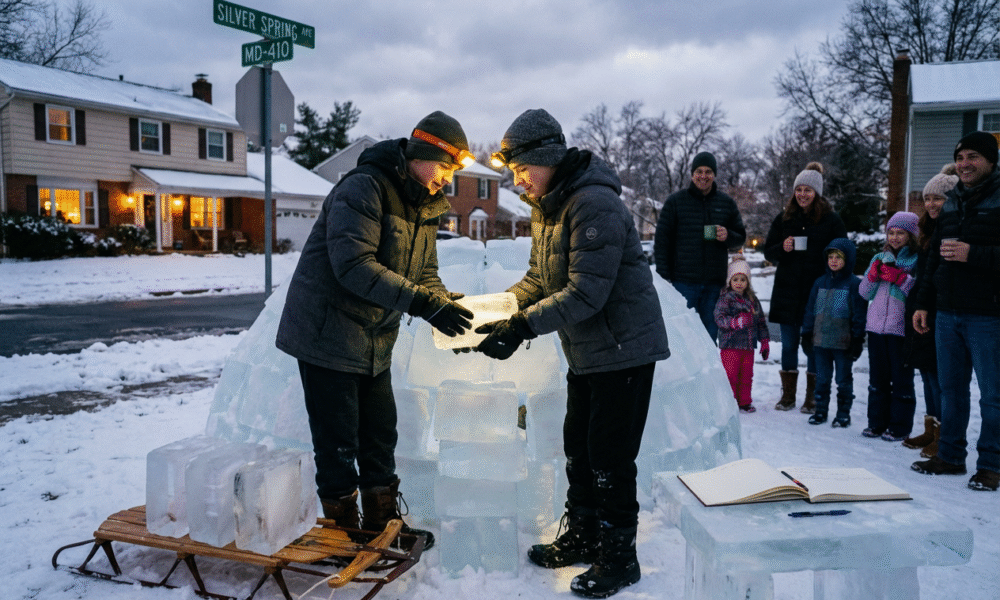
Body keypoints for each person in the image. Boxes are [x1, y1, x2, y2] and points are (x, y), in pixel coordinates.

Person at [479, 109, 670, 598]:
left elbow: (587, 293)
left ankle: (619, 556)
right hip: (588, 352)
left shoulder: (593, 204)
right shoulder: (549, 205)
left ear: (546, 157)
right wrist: (494, 310)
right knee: (578, 447)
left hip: (624, 350)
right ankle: (584, 535)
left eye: (522, 169)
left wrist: (520, 328)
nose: (517, 180)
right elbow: (541, 281)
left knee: (609, 455)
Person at [275, 111, 478, 545]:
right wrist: (424, 305)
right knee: (338, 441)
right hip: (326, 333)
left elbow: (425, 273)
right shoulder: (363, 188)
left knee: (380, 433)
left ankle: (382, 525)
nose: (446, 179)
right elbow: (353, 265)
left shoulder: (425, 204)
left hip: (373, 339)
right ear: (422, 153)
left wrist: (446, 309)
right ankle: (342, 534)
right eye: (444, 167)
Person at [912, 131, 1000, 492]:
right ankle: (949, 455)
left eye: (973, 157)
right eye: (960, 156)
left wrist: (972, 254)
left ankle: (991, 465)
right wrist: (923, 302)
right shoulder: (950, 202)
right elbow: (934, 257)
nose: (965, 163)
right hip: (947, 312)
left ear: (990, 161)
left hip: (988, 314)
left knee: (993, 395)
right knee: (951, 390)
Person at [763, 162, 848, 413]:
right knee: (788, 345)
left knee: (813, 344)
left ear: (817, 193)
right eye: (798, 189)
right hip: (787, 291)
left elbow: (843, 250)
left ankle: (813, 396)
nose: (802, 194)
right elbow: (768, 250)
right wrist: (783, 248)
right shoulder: (784, 218)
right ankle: (788, 395)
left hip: (818, 291)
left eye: (807, 190)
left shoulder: (831, 220)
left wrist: (832, 266)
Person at [653, 151, 746, 342]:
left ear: (714, 174)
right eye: (699, 171)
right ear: (692, 173)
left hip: (714, 283)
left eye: (708, 171)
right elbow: (662, 241)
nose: (703, 176)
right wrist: (664, 276)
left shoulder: (726, 203)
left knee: (710, 335)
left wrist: (727, 236)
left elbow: (740, 238)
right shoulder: (675, 202)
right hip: (683, 282)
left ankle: (710, 371)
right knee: (683, 336)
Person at [902, 165, 958, 456]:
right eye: (928, 198)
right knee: (926, 372)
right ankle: (931, 428)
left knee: (941, 376)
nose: (932, 204)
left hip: (942, 309)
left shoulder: (953, 228)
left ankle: (945, 434)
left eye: (940, 198)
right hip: (921, 308)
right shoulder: (927, 232)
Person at [859, 212, 920, 441]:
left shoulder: (915, 260)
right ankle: (876, 423)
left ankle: (899, 426)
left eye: (900, 233)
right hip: (876, 327)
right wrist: (873, 277)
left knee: (901, 379)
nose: (895, 237)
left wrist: (901, 279)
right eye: (891, 233)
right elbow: (864, 293)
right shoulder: (878, 257)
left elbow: (916, 294)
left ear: (910, 235)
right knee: (878, 379)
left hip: (900, 329)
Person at [800, 238, 866, 426]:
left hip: (842, 343)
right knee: (822, 379)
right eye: (831, 256)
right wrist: (806, 334)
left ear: (849, 260)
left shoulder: (854, 284)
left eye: (839, 257)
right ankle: (820, 410)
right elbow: (810, 310)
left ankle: (843, 413)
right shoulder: (820, 283)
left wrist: (857, 338)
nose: (834, 261)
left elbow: (859, 314)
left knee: (843, 379)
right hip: (820, 342)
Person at [713, 256, 769, 413]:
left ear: (748, 281)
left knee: (746, 375)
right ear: (730, 281)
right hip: (730, 345)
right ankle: (731, 402)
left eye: (743, 279)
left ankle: (744, 401)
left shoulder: (753, 299)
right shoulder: (726, 298)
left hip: (748, 346)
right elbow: (719, 317)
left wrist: (764, 341)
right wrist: (735, 322)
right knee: (731, 375)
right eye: (735, 279)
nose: (739, 282)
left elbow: (761, 322)